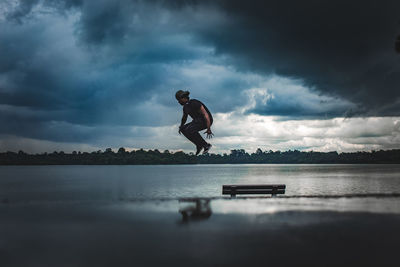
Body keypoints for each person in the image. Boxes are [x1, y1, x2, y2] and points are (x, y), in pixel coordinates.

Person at [175, 90, 213, 155]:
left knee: (190, 129)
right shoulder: (185, 107)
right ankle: (199, 145)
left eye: (179, 100)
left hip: (205, 121)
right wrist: (181, 126)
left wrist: (208, 128)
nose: (178, 102)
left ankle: (206, 145)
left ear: (184, 98)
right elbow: (184, 118)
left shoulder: (194, 103)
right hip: (196, 121)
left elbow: (205, 114)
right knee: (183, 129)